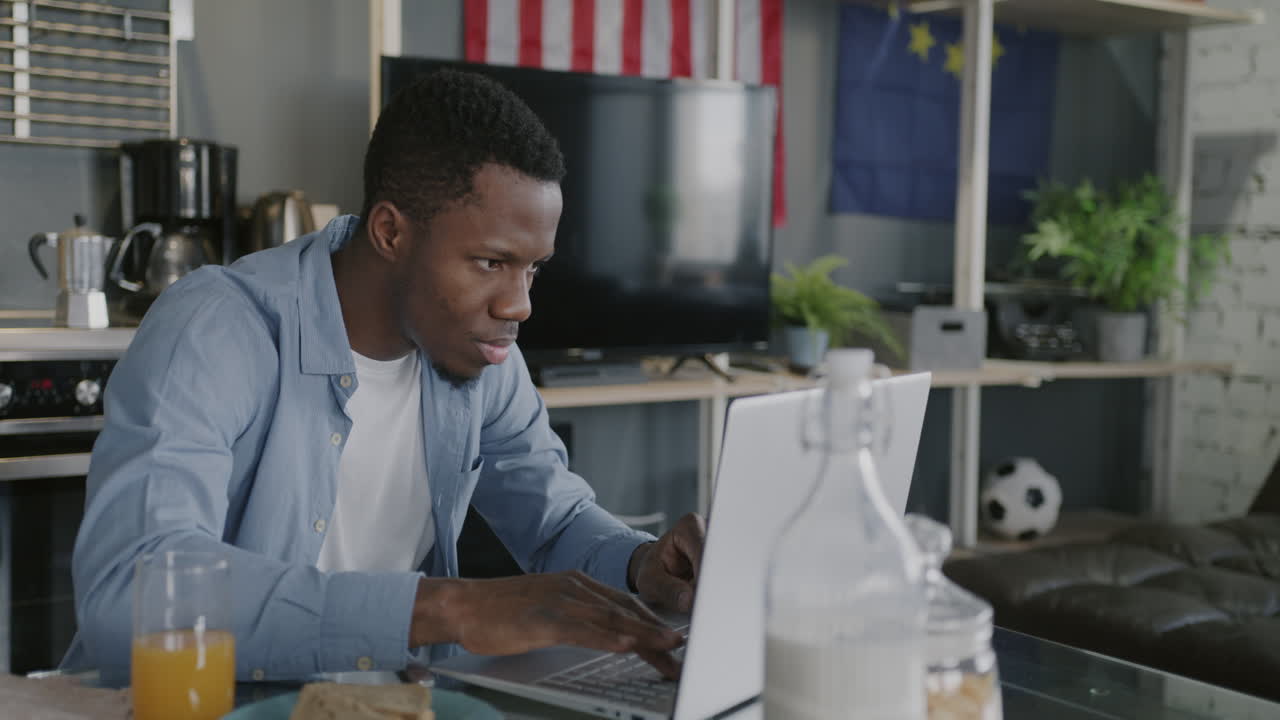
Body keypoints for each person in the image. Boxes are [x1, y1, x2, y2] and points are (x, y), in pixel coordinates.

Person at [66, 69, 705, 686]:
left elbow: (556, 521)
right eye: (491, 262)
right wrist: (445, 608)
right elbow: (134, 591)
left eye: (533, 268)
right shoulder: (216, 330)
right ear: (390, 231)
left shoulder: (479, 350)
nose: (519, 304)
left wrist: (641, 563)